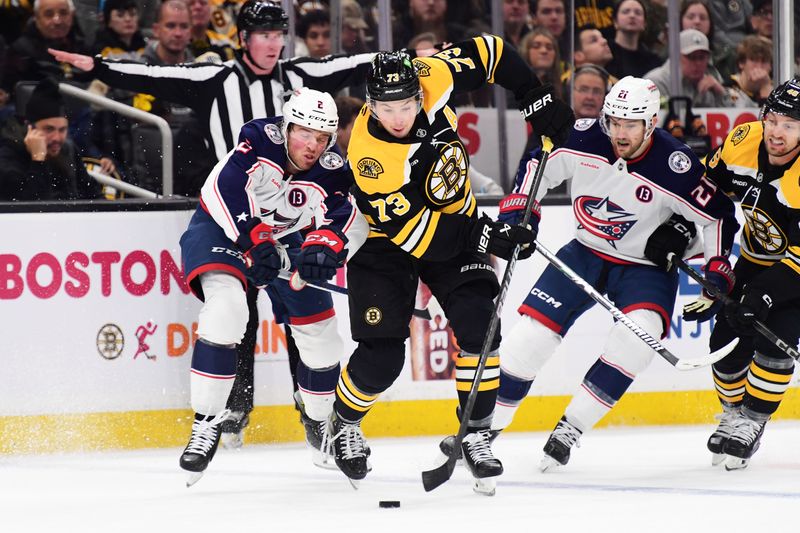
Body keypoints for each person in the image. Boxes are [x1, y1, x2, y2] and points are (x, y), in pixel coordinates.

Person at [50, 0, 376, 447]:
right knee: (233, 311)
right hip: (236, 216)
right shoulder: (217, 77)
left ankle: (312, 411)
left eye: (278, 34)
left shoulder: (301, 78)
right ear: (242, 39)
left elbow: (353, 64)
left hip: (292, 219)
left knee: (304, 314)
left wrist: (427, 63)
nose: (271, 43)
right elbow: (156, 76)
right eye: (262, 34)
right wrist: (99, 65)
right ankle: (231, 414)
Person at [327, 38, 574, 491]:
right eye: (387, 108)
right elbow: (418, 236)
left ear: (419, 92)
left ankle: (476, 433)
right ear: (371, 104)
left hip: (455, 222)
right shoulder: (371, 159)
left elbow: (494, 52)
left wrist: (533, 97)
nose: (398, 118)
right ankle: (342, 422)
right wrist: (490, 235)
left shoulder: (433, 74)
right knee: (382, 360)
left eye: (406, 105)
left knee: (482, 328)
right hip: (387, 242)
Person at [488, 76, 739, 471]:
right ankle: (482, 434)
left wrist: (715, 265)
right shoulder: (583, 138)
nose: (619, 133)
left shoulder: (676, 165)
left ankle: (571, 427)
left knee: (635, 342)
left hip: (645, 269)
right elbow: (539, 164)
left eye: (629, 124)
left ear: (651, 123)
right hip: (584, 252)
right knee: (527, 341)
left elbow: (718, 217)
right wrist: (521, 210)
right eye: (613, 121)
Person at [177, 87, 368, 482]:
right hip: (224, 230)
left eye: (321, 138)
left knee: (321, 338)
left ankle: (320, 421)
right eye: (304, 133)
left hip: (283, 240)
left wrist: (326, 248)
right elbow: (222, 188)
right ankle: (206, 422)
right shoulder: (259, 140)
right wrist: (252, 238)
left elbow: (348, 218)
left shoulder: (332, 168)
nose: (312, 145)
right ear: (287, 126)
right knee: (228, 310)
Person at [688, 78, 800, 471]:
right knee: (725, 341)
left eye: (791, 124)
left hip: (796, 271)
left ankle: (752, 421)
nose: (777, 131)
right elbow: (703, 192)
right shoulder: (742, 141)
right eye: (773, 119)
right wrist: (676, 231)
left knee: (776, 342)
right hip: (755, 259)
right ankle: (733, 413)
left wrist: (764, 295)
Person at [0, 77, 104, 201]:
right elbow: (31, 208)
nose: (57, 138)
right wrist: (38, 160)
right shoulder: (9, 156)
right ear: (29, 128)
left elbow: (93, 194)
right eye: (48, 129)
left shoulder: (67, 149)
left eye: (62, 130)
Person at [644, 29, 732, 108]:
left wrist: (721, 92)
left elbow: (736, 118)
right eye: (691, 57)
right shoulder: (655, 82)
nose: (698, 63)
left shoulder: (709, 84)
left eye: (702, 57)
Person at [605, 0, 663, 79]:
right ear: (615, 22)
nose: (632, 16)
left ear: (644, 24)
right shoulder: (605, 53)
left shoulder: (653, 61)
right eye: (625, 12)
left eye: (638, 13)